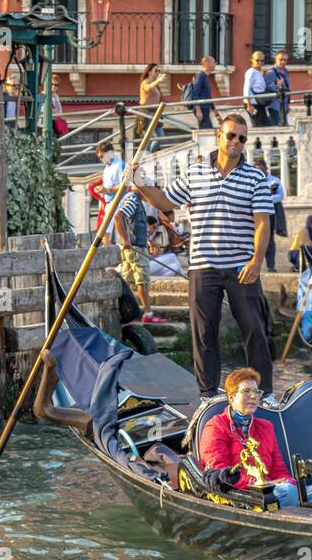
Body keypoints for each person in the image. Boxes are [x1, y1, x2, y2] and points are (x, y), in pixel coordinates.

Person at [134, 114, 275, 401]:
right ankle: (208, 395)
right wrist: (139, 181)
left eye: (242, 138)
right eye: (231, 135)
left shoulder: (256, 178)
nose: (236, 141)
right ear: (219, 136)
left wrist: (256, 261)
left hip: (241, 265)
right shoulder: (194, 173)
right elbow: (163, 201)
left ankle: (264, 393)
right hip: (202, 265)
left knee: (255, 331)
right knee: (203, 334)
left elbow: (262, 222)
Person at [198, 368, 312, 507]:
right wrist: (260, 484)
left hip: (271, 490)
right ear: (232, 397)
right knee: (289, 492)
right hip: (242, 494)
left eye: (256, 392)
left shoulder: (266, 427)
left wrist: (286, 481)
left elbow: (278, 468)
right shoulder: (216, 426)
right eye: (247, 391)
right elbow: (221, 473)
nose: (253, 396)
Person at [115, 188, 167, 324]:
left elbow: (136, 225)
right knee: (142, 281)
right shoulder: (133, 200)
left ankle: (120, 311)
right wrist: (125, 239)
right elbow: (118, 217)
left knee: (127, 281)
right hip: (136, 249)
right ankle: (148, 314)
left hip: (135, 247)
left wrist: (149, 241)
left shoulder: (136, 201)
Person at [256, 157, 285, 272]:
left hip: (270, 213)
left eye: (261, 169)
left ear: (266, 169)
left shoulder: (274, 181)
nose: (260, 172)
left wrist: (265, 198)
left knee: (269, 239)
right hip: (256, 213)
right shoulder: (253, 181)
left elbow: (280, 196)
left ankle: (270, 265)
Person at [138, 63, 168, 145]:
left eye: (159, 70)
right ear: (149, 72)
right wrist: (158, 80)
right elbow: (148, 88)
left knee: (161, 137)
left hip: (155, 113)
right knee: (150, 138)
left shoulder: (155, 84)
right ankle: (147, 155)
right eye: (156, 70)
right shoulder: (145, 82)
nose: (158, 72)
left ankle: (150, 155)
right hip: (146, 113)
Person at [188, 56, 218, 129]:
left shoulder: (205, 76)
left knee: (207, 131)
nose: (215, 64)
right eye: (213, 62)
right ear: (207, 63)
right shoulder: (200, 75)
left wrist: (215, 112)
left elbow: (208, 97)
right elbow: (195, 93)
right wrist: (198, 110)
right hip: (201, 109)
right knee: (206, 131)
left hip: (205, 109)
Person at [243, 51, 271, 127]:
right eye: (257, 60)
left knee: (266, 124)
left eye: (262, 61)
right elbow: (246, 88)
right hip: (252, 103)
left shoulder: (259, 72)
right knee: (258, 125)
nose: (260, 62)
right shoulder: (251, 72)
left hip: (259, 102)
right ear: (252, 60)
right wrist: (249, 104)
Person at [264, 51, 292, 126]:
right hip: (275, 106)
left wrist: (287, 104)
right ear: (275, 60)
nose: (283, 62)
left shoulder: (286, 72)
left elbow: (287, 89)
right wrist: (277, 86)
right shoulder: (271, 73)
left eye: (285, 60)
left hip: (283, 107)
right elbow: (265, 87)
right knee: (279, 129)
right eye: (280, 59)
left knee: (285, 128)